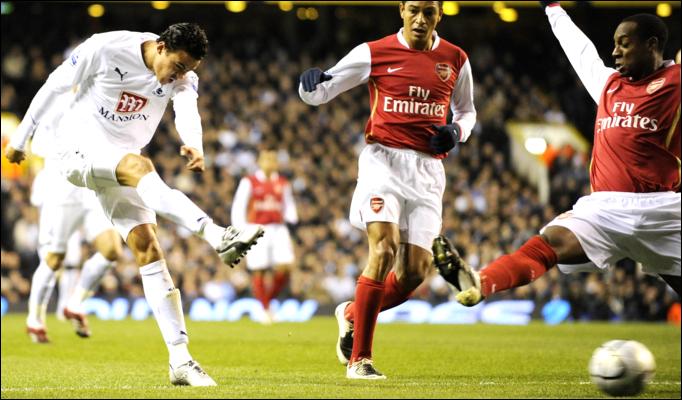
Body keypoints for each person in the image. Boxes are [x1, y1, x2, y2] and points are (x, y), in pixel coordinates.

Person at [5, 23, 264, 386]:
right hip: (75, 149)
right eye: (177, 66)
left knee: (148, 247)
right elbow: (56, 84)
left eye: (188, 70)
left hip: (119, 158)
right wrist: (21, 138)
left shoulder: (183, 77)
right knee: (141, 167)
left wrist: (195, 143)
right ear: (160, 47)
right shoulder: (105, 47)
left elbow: (187, 107)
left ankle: (181, 361)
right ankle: (216, 234)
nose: (180, 75)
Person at [433, 2, 680, 309]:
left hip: (664, 210)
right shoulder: (608, 85)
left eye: (624, 44)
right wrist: (552, 8)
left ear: (652, 45)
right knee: (551, 240)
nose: (615, 52)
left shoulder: (676, 82)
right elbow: (580, 50)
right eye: (615, 44)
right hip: (606, 207)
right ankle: (480, 282)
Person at [299, 1, 476, 379]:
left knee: (414, 273)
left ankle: (350, 314)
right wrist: (309, 81)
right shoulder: (373, 52)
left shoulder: (456, 59)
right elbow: (319, 92)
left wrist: (457, 131)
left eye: (429, 12)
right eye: (414, 9)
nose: (420, 19)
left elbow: (467, 112)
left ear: (439, 14)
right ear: (401, 10)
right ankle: (359, 359)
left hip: (429, 172)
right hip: (384, 162)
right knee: (383, 248)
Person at [23, 91, 123, 344]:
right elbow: (40, 146)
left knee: (112, 250)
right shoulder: (55, 102)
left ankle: (74, 303)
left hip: (91, 189)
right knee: (53, 258)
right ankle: (35, 319)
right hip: (63, 189)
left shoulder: (103, 100)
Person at [231, 149, 298, 325]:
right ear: (260, 162)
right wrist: (241, 231)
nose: (270, 163)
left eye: (273, 160)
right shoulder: (249, 182)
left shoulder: (283, 183)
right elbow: (238, 206)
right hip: (257, 228)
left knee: (286, 266)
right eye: (266, 159)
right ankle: (266, 309)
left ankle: (267, 302)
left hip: (278, 227)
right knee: (259, 269)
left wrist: (293, 222)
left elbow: (288, 206)